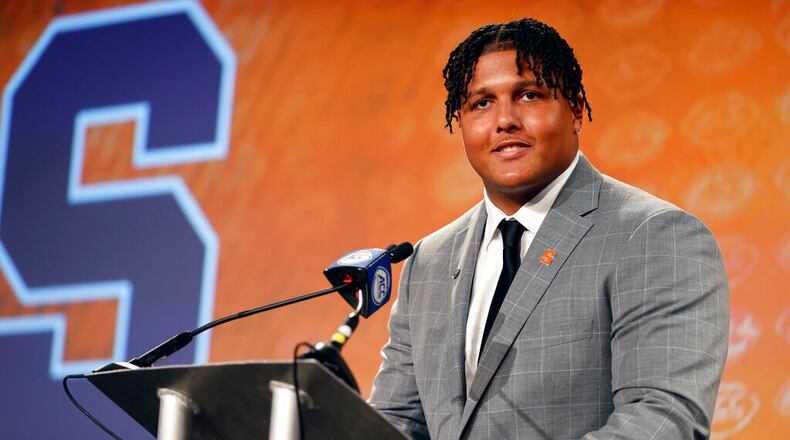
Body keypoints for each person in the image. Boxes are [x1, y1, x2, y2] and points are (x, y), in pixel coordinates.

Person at [369, 18, 729, 439]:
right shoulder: (428, 261)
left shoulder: (657, 237)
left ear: (575, 109)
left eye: (528, 95)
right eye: (481, 103)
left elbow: (663, 420)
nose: (505, 120)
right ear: (461, 123)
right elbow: (396, 421)